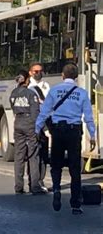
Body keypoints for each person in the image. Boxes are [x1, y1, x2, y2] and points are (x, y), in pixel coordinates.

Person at [35, 63, 96, 215]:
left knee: (56, 164)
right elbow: (88, 117)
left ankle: (56, 189)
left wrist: (37, 129)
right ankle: (75, 204)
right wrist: (93, 135)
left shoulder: (55, 90)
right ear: (76, 77)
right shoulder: (82, 93)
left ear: (62, 75)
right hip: (74, 132)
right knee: (75, 168)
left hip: (58, 132)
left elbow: (44, 112)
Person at [9, 70, 45, 195]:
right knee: (33, 155)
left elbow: (13, 108)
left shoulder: (13, 93)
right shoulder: (31, 94)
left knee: (19, 156)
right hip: (29, 123)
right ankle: (34, 186)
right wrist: (37, 129)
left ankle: (18, 186)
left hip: (18, 122)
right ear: (26, 79)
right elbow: (35, 112)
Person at [28, 62, 51, 193]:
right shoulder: (29, 87)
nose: (39, 73)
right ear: (30, 72)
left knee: (43, 154)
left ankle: (41, 180)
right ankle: (33, 181)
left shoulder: (46, 85)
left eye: (41, 71)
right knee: (34, 154)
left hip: (45, 121)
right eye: (36, 71)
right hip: (34, 123)